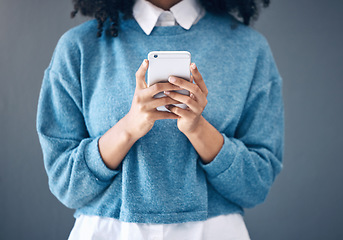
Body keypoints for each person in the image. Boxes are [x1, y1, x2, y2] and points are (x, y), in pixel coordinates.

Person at [36, 0, 284, 239]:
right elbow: (66, 185)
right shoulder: (79, 46)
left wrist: (198, 129)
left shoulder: (249, 48)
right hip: (108, 231)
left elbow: (255, 186)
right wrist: (129, 127)